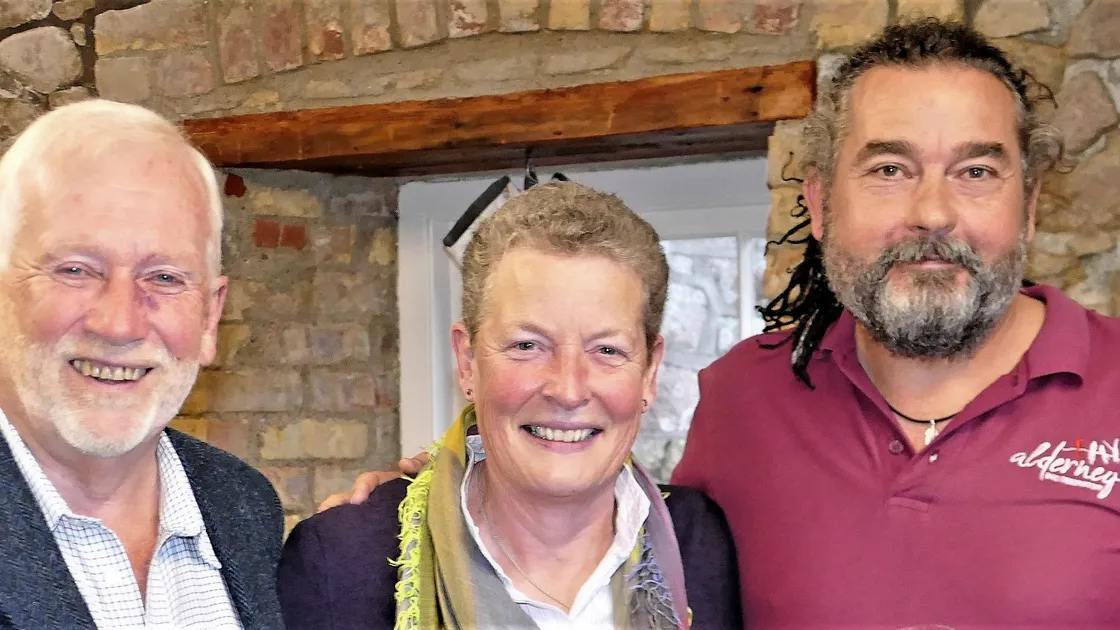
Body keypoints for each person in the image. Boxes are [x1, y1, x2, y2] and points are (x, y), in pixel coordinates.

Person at [327, 18, 1120, 628]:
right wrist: (444, 484)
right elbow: (623, 518)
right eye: (889, 169)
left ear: (1030, 203)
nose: (934, 212)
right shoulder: (747, 394)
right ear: (819, 204)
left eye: (977, 170)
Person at [277, 182, 741, 629]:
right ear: (467, 362)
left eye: (607, 350)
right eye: (527, 345)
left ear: (650, 373)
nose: (568, 389)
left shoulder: (698, 544)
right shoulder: (340, 563)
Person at [0, 100, 284, 629]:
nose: (119, 324)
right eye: (75, 269)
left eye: (165, 278)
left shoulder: (244, 508)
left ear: (209, 317)